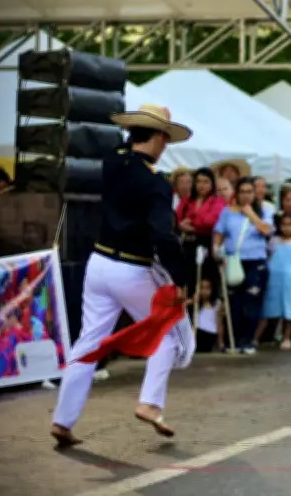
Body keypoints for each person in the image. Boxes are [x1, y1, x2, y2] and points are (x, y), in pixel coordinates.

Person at [51, 104, 195, 446]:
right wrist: (180, 278)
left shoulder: (114, 161)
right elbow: (163, 235)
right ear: (159, 136)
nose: (166, 146)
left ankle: (62, 420)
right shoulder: (156, 183)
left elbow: (122, 148)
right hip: (132, 269)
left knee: (88, 341)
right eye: (165, 138)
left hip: (98, 264)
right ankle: (149, 403)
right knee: (166, 337)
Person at [213, 177, 273, 354]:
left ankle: (248, 340)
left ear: (255, 194)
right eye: (242, 192)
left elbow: (267, 230)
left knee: (253, 301)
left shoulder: (264, 211)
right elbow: (219, 234)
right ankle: (236, 340)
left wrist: (251, 214)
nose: (246, 195)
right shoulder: (227, 212)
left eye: (249, 192)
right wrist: (217, 252)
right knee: (235, 302)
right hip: (234, 261)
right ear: (236, 194)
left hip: (255, 261)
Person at [259, 212, 291, 350]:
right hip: (274, 278)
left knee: (290, 307)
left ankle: (286, 337)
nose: (287, 228)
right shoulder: (273, 241)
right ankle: (257, 337)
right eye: (284, 225)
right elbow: (268, 256)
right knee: (269, 306)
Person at [176, 168, 226, 303]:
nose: (201, 185)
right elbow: (177, 218)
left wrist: (190, 223)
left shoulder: (217, 201)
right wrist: (181, 225)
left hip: (206, 243)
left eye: (205, 182)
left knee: (206, 280)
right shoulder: (187, 200)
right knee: (188, 278)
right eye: (198, 181)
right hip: (188, 245)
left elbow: (211, 220)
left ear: (212, 184)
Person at [194, 279, 223, 352]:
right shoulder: (196, 302)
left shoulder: (217, 303)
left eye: (207, 288)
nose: (204, 291)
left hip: (209, 334)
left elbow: (219, 324)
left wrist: (220, 343)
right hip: (197, 332)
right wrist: (192, 300)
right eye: (202, 288)